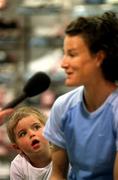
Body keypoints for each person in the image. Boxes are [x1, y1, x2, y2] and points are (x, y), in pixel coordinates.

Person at [44, 11, 118, 180]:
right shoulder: (62, 106)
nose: (63, 64)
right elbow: (57, 174)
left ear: (99, 57)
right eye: (64, 54)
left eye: (72, 54)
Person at [6, 106, 52, 180]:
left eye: (36, 127)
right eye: (23, 134)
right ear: (17, 147)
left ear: (49, 130)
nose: (31, 134)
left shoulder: (63, 154)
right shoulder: (18, 166)